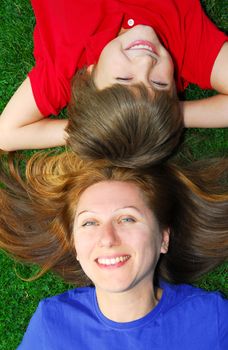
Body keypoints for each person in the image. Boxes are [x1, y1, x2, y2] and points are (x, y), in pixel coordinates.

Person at [0, 150, 227, 349]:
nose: (107, 239)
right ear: (75, 246)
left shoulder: (212, 317)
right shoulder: (51, 322)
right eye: (90, 222)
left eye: (127, 219)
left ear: (163, 239)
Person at [0, 0, 227, 152]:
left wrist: (100, 125)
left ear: (89, 77)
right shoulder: (187, 47)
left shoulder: (65, 67)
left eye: (124, 78)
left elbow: (6, 134)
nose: (145, 62)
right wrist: (165, 115)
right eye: (159, 83)